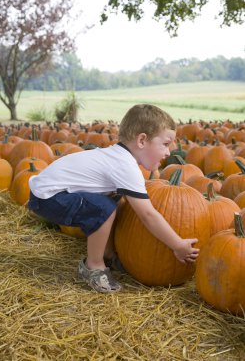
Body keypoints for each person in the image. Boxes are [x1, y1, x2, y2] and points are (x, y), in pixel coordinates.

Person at [28, 104, 199, 293]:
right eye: (165, 144)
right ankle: (93, 266)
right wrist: (177, 245)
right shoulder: (125, 166)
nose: (169, 152)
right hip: (49, 198)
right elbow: (148, 215)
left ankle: (108, 254)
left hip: (48, 192)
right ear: (142, 140)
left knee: (112, 199)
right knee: (103, 208)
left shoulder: (116, 156)